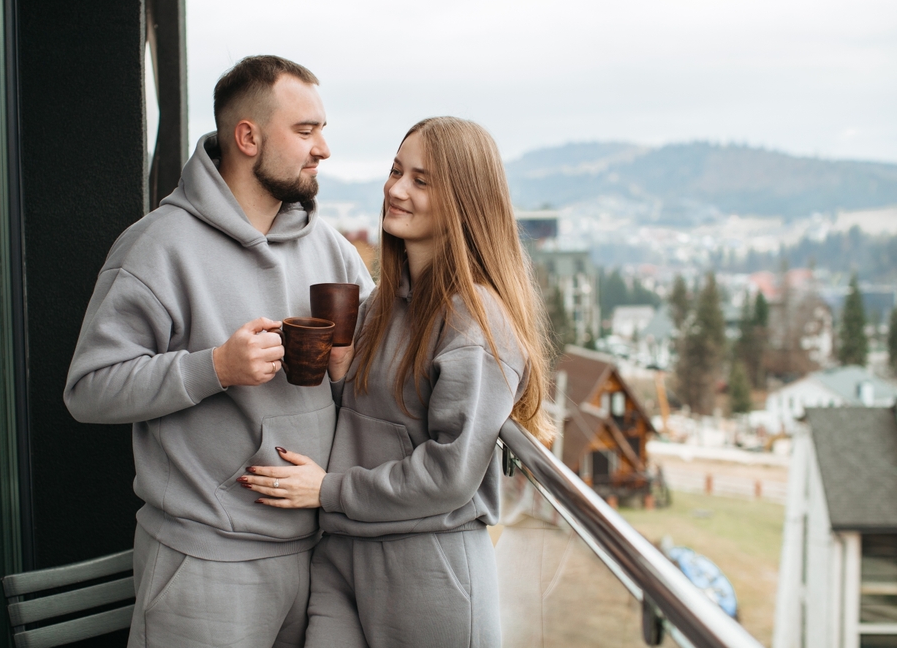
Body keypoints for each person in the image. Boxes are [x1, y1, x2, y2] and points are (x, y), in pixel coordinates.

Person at [63, 55, 374, 648]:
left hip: (321, 557)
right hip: (205, 564)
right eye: (306, 131)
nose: (324, 149)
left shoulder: (333, 251)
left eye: (323, 130)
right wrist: (214, 369)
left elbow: (377, 374)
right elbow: (88, 389)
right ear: (248, 137)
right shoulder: (157, 246)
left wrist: (348, 366)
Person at [240, 117, 554, 647]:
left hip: (427, 568)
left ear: (464, 201)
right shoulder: (376, 308)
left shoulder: (476, 323)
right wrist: (338, 377)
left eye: (421, 180)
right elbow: (371, 420)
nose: (396, 189)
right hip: (341, 556)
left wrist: (328, 489)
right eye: (395, 171)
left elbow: (451, 473)